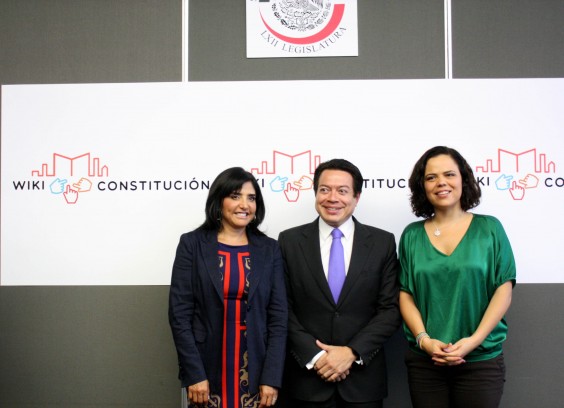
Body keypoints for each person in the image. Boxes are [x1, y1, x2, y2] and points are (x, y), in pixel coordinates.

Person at [399, 146, 516, 408]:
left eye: (449, 174)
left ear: (464, 179)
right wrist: (425, 341)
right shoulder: (411, 235)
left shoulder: (490, 228)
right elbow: (405, 294)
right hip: (426, 362)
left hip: (481, 361)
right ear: (422, 186)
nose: (441, 182)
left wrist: (473, 341)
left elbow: (503, 288)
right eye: (431, 177)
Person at [278, 158, 401, 408]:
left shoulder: (382, 243)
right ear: (315, 194)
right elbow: (281, 308)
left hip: (362, 383)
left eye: (342, 191)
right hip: (307, 381)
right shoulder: (289, 242)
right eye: (325, 190)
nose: (332, 198)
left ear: (356, 197)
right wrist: (316, 356)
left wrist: (351, 352)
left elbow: (390, 309)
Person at [169, 167, 288, 408]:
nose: (244, 204)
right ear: (218, 201)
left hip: (256, 368)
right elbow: (179, 315)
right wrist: (194, 374)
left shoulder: (270, 249)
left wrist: (271, 377)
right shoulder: (191, 244)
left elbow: (278, 318)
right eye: (235, 196)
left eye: (251, 198)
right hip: (207, 369)